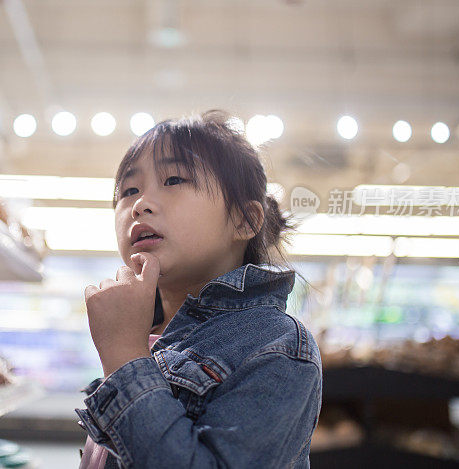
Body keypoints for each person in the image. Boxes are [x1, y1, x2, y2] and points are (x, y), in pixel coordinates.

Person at [75, 111, 322, 468]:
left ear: (244, 220)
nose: (139, 204)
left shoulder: (275, 345)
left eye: (173, 179)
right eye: (129, 190)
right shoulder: (145, 332)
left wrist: (125, 357)